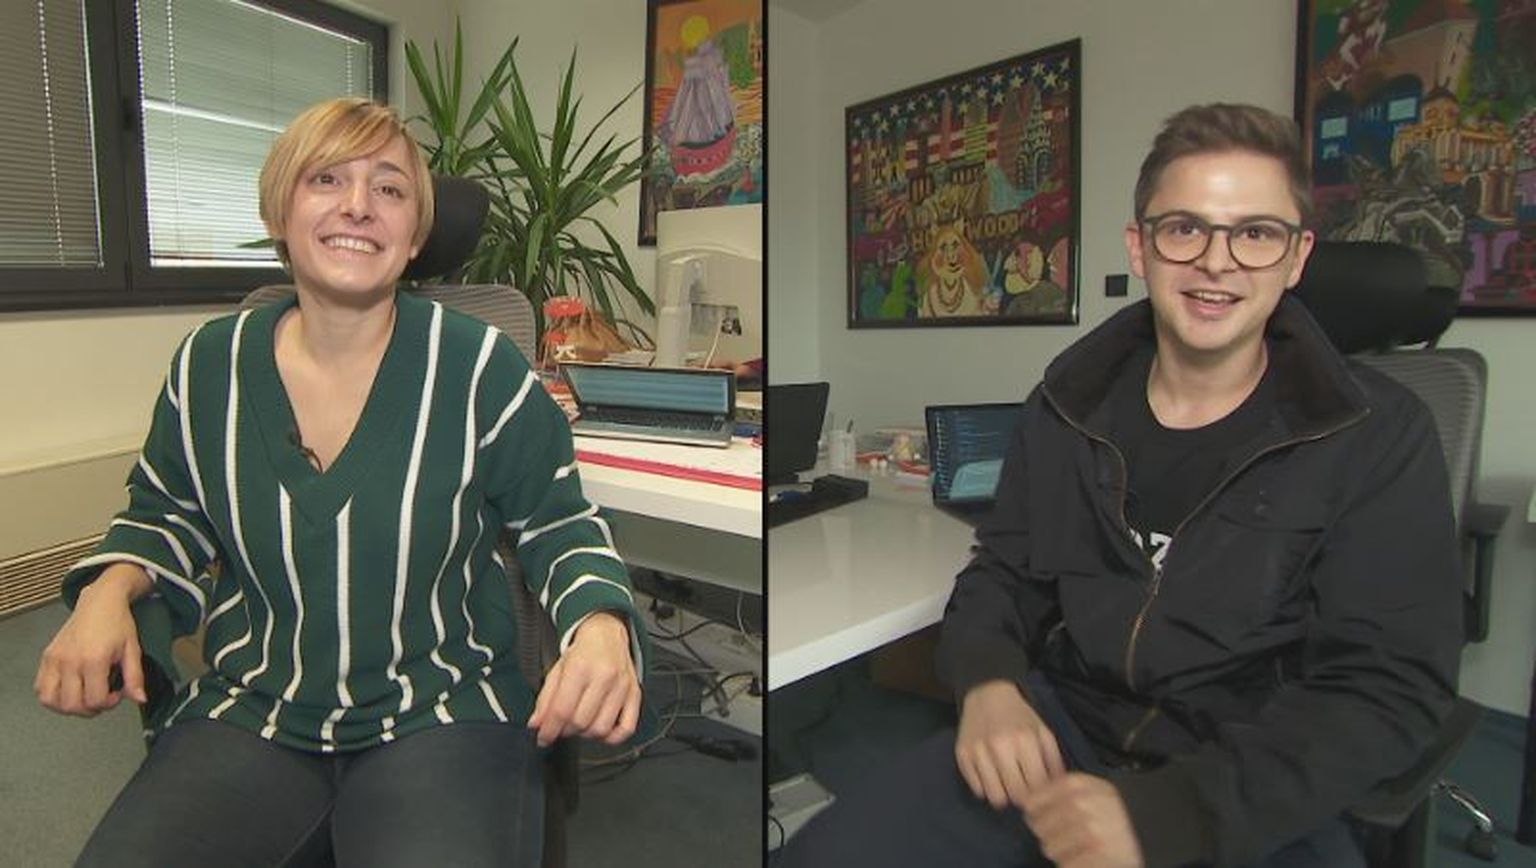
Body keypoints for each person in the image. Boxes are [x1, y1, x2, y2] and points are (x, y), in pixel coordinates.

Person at [780, 103, 1462, 867]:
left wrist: (1173, 813)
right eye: (1185, 228)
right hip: (1066, 732)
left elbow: (1386, 687)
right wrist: (989, 682)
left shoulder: (1375, 433)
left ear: (1296, 256)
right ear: (1141, 246)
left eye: (1256, 233)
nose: (1217, 261)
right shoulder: (1067, 404)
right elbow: (1005, 572)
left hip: (1250, 775)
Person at [33, 97, 645, 867]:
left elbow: (560, 523)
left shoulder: (480, 366)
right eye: (326, 178)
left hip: (442, 710)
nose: (359, 205)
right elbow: (166, 513)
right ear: (279, 210)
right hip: (256, 706)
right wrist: (106, 591)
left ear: (414, 233)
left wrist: (600, 626)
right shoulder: (210, 365)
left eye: (389, 188)